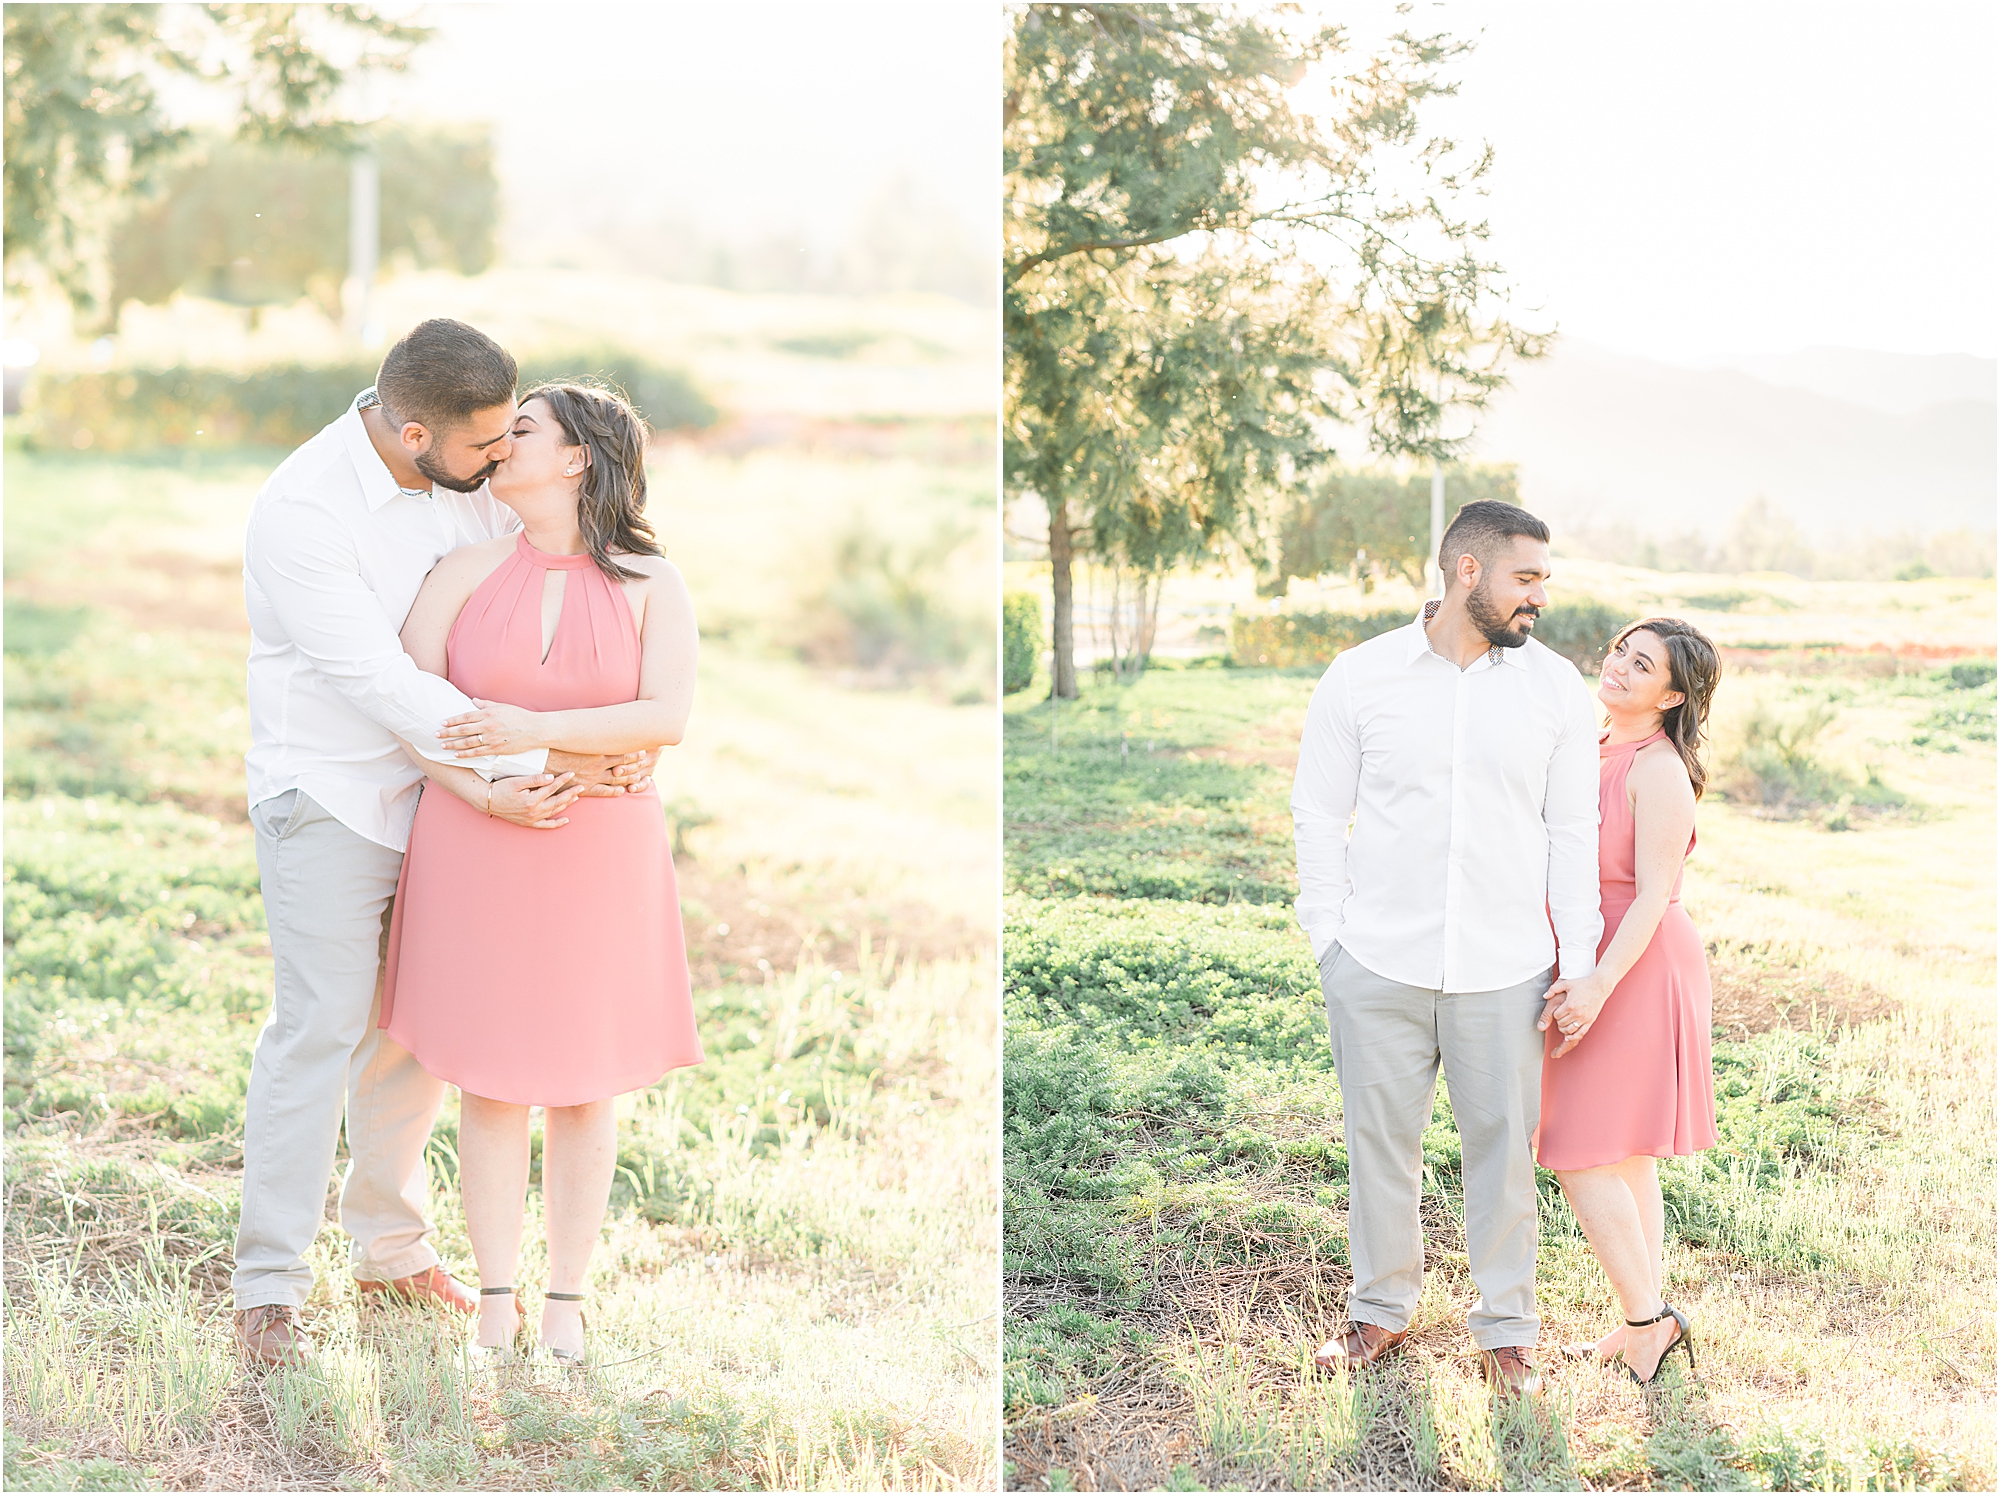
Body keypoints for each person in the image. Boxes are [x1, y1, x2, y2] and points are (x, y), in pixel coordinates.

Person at [234, 319, 655, 1367]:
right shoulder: (302, 513)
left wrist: (595, 747)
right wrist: (543, 767)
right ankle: (268, 1288)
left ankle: (389, 1253)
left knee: (414, 1035)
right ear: (414, 429)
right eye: (481, 445)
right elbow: (385, 684)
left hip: (447, 801)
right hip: (331, 793)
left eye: (508, 437)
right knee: (321, 1024)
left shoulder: (467, 476)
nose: (497, 459)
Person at [381, 380, 704, 1367]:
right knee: (490, 1081)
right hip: (476, 845)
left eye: (520, 429)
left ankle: (564, 1300)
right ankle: (494, 1300)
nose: (497, 440)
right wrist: (483, 788)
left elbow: (665, 717)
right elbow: (406, 709)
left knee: (583, 1082)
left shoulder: (654, 582)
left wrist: (539, 732)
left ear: (575, 457)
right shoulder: (461, 571)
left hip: (599, 847)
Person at [1291, 499, 1602, 1398]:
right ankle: (1380, 1310)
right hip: (1377, 963)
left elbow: (1571, 834)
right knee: (1379, 1143)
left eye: (1542, 578)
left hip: (1505, 968)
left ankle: (1507, 1330)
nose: (1539, 595)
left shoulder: (1555, 689)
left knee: (1502, 1151)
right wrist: (1329, 939)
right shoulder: (1360, 677)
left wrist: (1576, 965)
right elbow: (1318, 811)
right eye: (1526, 577)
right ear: (1468, 571)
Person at [1535, 617, 1722, 1385]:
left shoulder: (1657, 768)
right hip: (1595, 955)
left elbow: (1651, 897)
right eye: (1619, 650)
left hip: (1634, 967)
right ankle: (1643, 1317)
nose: (1617, 666)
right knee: (1629, 1158)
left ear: (1672, 693)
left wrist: (1597, 985)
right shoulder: (1598, 743)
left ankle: (1648, 1323)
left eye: (1640, 664)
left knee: (1574, 1150)